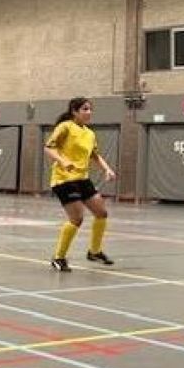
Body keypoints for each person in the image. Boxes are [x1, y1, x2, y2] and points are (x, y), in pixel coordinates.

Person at [44, 97, 116, 272]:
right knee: (77, 219)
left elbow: (94, 155)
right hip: (64, 179)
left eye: (90, 109)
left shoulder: (90, 134)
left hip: (82, 179)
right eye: (85, 109)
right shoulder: (65, 127)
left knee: (101, 212)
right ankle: (58, 258)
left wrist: (107, 169)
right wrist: (63, 161)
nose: (89, 112)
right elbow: (49, 147)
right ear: (74, 112)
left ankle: (94, 252)